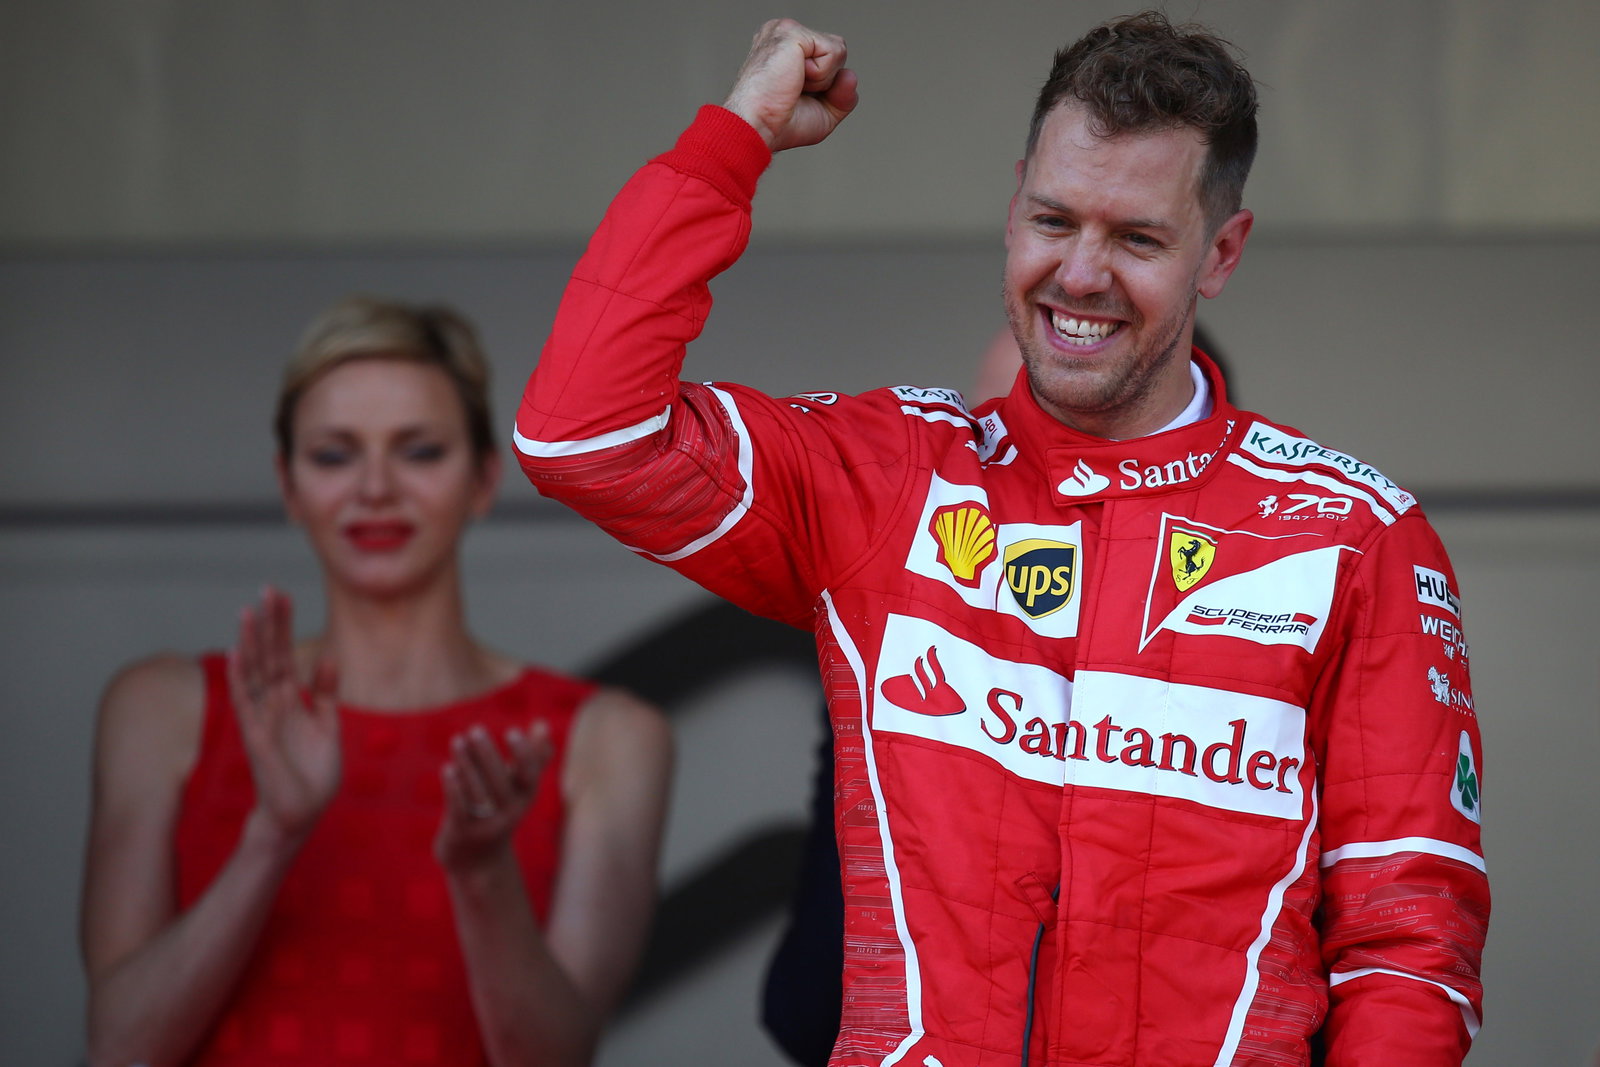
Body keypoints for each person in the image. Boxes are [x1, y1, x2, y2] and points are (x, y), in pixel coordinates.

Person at [514, 12, 1488, 1066]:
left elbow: (1408, 947)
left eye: (1137, 238)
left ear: (1221, 252)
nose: (1080, 274)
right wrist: (733, 137)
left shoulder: (1353, 535)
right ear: (1014, 201)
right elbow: (581, 433)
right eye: (1052, 220)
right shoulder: (888, 478)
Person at [80, 296, 672, 1067]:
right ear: (288, 485)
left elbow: (557, 1056)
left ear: (484, 479)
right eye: (334, 455)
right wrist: (272, 836)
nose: (375, 488)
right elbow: (119, 1044)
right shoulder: (164, 708)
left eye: (420, 451)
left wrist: (483, 874)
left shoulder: (608, 737)